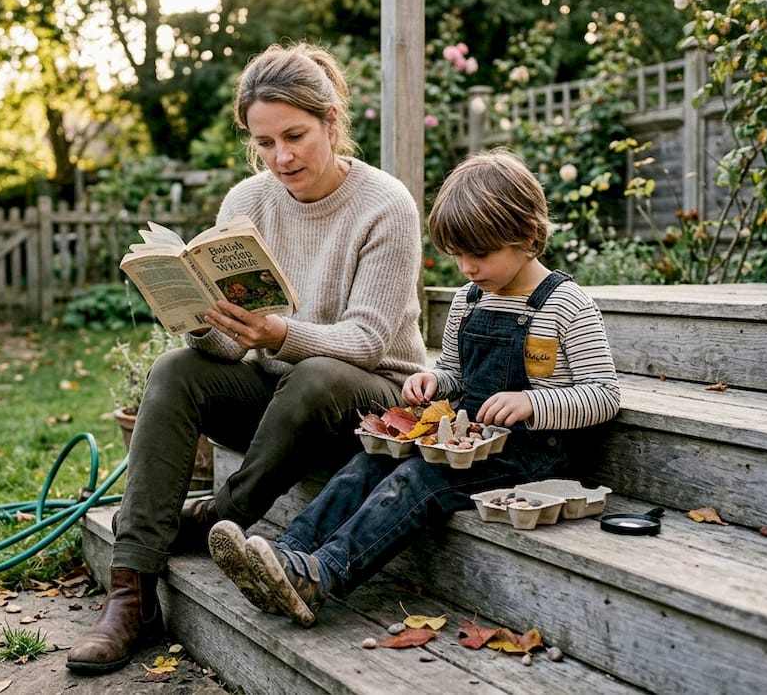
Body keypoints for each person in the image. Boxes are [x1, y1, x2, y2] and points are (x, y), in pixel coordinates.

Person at [65, 41, 429, 673]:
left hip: (371, 406)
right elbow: (235, 346)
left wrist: (277, 334)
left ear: (331, 119)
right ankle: (131, 594)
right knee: (176, 370)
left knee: (314, 375)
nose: (280, 157)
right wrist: (202, 324)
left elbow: (369, 341)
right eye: (264, 142)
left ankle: (222, 515)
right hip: (276, 400)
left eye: (295, 136)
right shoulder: (247, 202)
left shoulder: (385, 204)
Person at [207, 148, 622, 627]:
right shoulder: (470, 300)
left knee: (416, 480)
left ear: (528, 235)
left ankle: (323, 574)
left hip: (532, 455)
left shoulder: (565, 305)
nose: (467, 268)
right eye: (457, 255)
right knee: (372, 460)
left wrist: (533, 401)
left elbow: (603, 395)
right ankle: (285, 554)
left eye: (479, 254)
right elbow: (457, 374)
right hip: (469, 443)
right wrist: (434, 381)